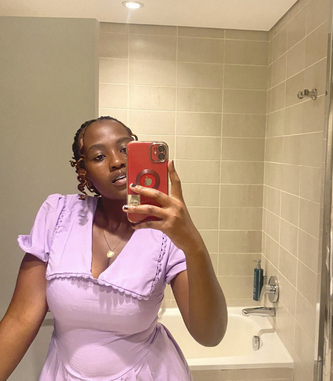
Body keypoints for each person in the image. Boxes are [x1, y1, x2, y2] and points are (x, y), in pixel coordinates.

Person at [0, 116, 227, 381]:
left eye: (125, 149)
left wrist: (193, 244)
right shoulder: (58, 214)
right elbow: (20, 319)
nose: (117, 161)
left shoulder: (167, 230)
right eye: (99, 156)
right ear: (84, 172)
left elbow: (209, 335)